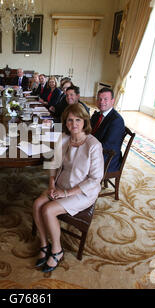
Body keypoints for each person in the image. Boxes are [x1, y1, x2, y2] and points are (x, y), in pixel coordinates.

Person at [32, 103, 104, 273]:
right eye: (70, 120)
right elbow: (54, 165)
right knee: (37, 204)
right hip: (60, 185)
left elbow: (95, 179)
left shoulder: (93, 145)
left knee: (48, 210)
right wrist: (51, 184)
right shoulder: (64, 139)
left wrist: (67, 193)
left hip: (82, 192)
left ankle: (57, 250)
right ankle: (44, 244)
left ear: (84, 121)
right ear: (65, 122)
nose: (74, 124)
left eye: (78, 120)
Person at [91, 87, 125, 173]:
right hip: (95, 150)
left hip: (107, 159)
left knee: (76, 161)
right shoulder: (97, 115)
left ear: (112, 101)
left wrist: (86, 148)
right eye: (99, 99)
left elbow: (107, 146)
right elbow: (88, 132)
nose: (101, 102)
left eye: (105, 99)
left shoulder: (116, 121)